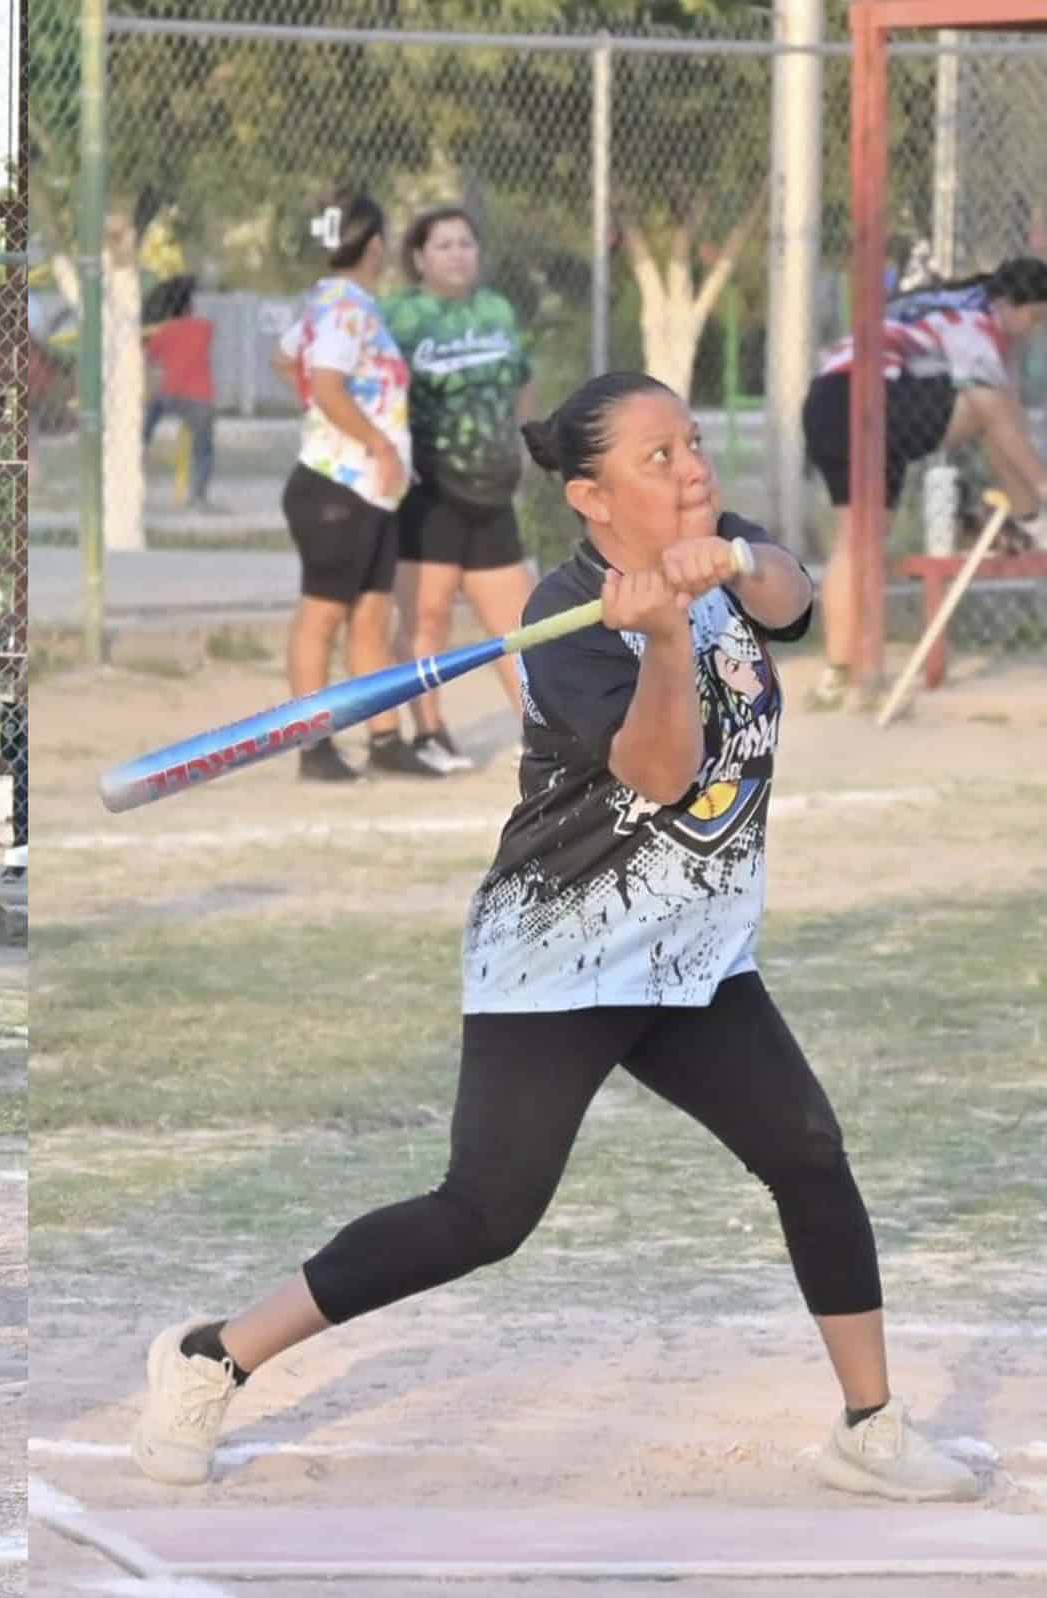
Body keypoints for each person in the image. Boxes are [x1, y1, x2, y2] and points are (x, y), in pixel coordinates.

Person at [130, 374, 980, 1506]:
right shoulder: (561, 622)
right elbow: (660, 772)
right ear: (588, 494)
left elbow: (793, 595)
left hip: (695, 955)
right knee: (486, 1213)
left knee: (809, 1154)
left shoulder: (719, 539)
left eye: (691, 440)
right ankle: (213, 1353)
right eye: (656, 457)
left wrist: (724, 563)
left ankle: (871, 1425)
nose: (693, 467)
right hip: (563, 953)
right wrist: (667, 637)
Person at [803, 256, 1047, 710]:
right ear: (1007, 304)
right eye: (1032, 318)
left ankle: (837, 675)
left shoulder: (942, 300)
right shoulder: (976, 320)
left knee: (859, 540)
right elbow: (994, 409)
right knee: (991, 407)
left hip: (826, 403)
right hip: (869, 397)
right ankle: (1032, 516)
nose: (1031, 330)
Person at [270, 190, 426, 782]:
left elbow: (286, 360)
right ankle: (314, 746)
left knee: (370, 618)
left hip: (369, 491)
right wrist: (377, 444)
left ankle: (383, 737)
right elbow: (329, 385)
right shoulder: (345, 309)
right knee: (323, 616)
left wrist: (323, 410)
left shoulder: (334, 301)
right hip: (338, 485)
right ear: (377, 245)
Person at [383, 206, 539, 772]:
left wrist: (520, 446)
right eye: (443, 245)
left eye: (466, 244)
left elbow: (523, 380)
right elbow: (372, 386)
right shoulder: (400, 316)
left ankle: (541, 734)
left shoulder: (495, 310)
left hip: (492, 492)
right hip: (431, 490)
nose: (457, 254)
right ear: (419, 258)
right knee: (426, 619)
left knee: (519, 625)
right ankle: (430, 733)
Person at [141, 276, 218, 511]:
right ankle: (198, 497)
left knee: (147, 422)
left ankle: (141, 446)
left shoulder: (164, 332)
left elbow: (150, 358)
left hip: (169, 393)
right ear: (190, 308)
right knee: (203, 448)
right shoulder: (204, 328)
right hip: (198, 397)